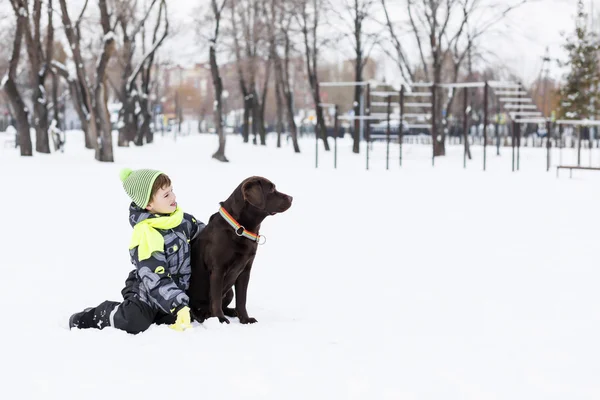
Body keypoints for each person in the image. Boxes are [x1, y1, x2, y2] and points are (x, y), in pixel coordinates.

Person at [69, 168, 205, 334]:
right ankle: (97, 315)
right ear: (148, 205)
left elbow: (207, 235)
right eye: (166, 195)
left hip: (176, 294)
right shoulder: (146, 235)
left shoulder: (182, 220)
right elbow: (154, 277)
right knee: (134, 320)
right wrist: (178, 304)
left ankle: (167, 311)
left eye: (172, 191)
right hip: (147, 292)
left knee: (185, 316)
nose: (174, 197)